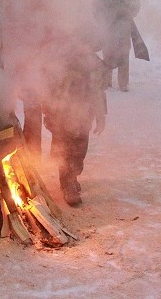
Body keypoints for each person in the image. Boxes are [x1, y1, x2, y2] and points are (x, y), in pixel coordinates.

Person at [44, 45, 107, 207]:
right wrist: (49, 113)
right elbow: (49, 90)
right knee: (64, 149)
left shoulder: (94, 63)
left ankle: (73, 175)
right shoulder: (59, 61)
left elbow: (99, 90)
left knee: (79, 150)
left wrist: (100, 116)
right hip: (62, 113)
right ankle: (67, 183)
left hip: (84, 114)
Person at [95, 0, 146, 92]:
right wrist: (99, 16)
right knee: (107, 52)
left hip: (123, 22)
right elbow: (96, 3)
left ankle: (123, 83)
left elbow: (135, 2)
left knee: (123, 53)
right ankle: (106, 81)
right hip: (108, 22)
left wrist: (128, 15)